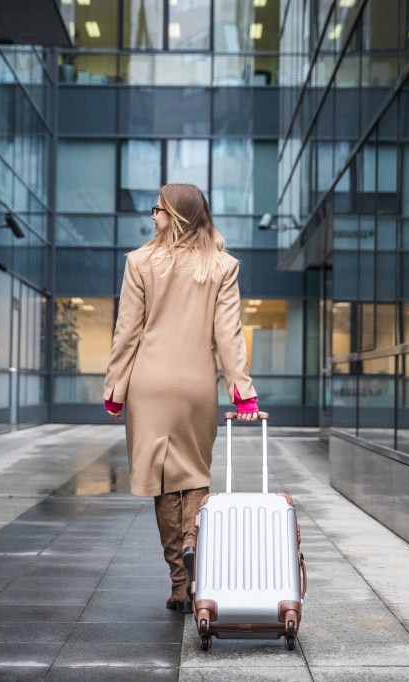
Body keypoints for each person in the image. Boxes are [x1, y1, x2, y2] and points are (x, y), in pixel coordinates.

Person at [103, 183, 260, 613]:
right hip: (195, 386)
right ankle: (194, 545)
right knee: (194, 474)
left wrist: (115, 390)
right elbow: (228, 335)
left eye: (157, 209)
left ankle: (179, 584)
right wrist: (242, 394)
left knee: (161, 481)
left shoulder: (139, 262)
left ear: (176, 215)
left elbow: (127, 332)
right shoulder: (221, 266)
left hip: (147, 386)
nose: (152, 216)